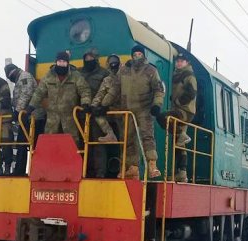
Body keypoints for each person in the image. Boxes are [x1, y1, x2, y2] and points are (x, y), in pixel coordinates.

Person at [26, 51, 92, 147]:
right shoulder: (48, 76)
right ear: (56, 62)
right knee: (50, 145)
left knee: (72, 145)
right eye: (59, 61)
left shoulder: (75, 76)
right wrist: (31, 106)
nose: (62, 64)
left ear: (68, 63)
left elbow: (84, 90)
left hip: (70, 118)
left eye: (64, 62)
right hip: (52, 119)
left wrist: (85, 103)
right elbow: (39, 92)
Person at [119, 44, 165, 179]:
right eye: (134, 55)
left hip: (145, 109)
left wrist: (157, 105)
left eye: (139, 54)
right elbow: (116, 88)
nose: (137, 57)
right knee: (128, 139)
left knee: (147, 137)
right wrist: (103, 105)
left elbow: (158, 90)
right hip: (128, 110)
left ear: (143, 55)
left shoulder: (151, 70)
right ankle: (133, 168)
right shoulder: (125, 70)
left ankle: (152, 165)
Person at [79, 49, 114, 178]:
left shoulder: (104, 74)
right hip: (81, 114)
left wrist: (104, 107)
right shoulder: (79, 73)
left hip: (98, 114)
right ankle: (83, 171)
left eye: (91, 58)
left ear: (96, 59)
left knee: (98, 143)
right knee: (82, 144)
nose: (88, 61)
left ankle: (100, 172)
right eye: (86, 59)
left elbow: (110, 91)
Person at [5, 63, 39, 175]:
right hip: (25, 117)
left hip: (33, 116)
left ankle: (31, 170)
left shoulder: (24, 77)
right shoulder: (19, 79)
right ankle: (20, 169)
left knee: (28, 144)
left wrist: (17, 111)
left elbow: (26, 93)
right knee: (22, 143)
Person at [168, 52, 197, 182]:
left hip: (184, 111)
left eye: (182, 61)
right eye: (178, 61)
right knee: (178, 140)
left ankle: (182, 172)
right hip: (176, 110)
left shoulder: (189, 76)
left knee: (179, 140)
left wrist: (177, 102)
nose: (179, 63)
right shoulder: (174, 74)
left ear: (187, 63)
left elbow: (191, 93)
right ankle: (181, 172)